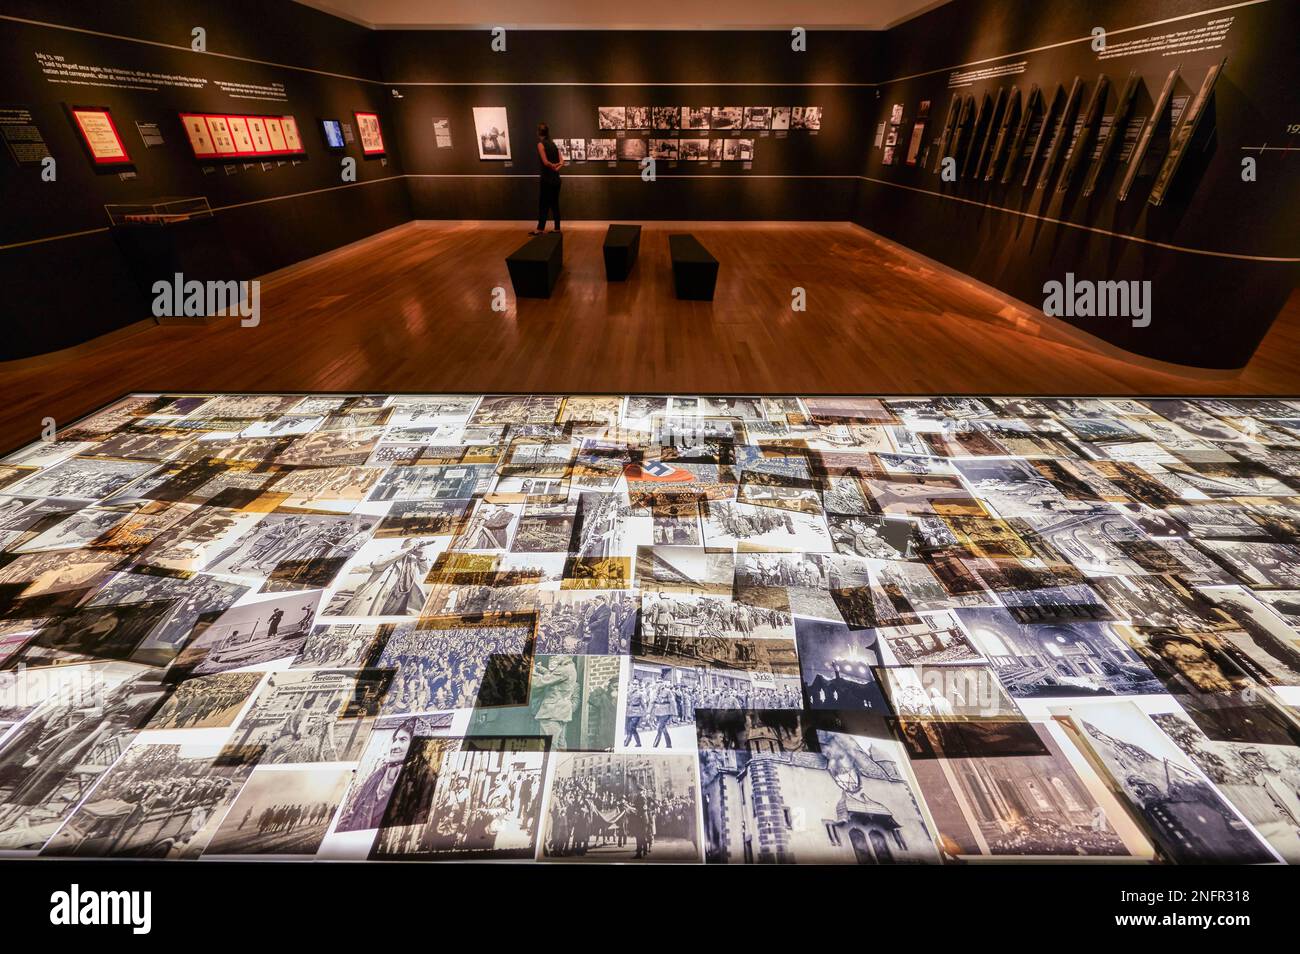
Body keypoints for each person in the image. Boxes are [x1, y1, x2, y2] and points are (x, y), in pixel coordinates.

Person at [531, 122, 563, 235]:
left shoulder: (541, 144)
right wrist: (556, 168)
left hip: (546, 179)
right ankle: (557, 228)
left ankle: (540, 229)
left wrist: (552, 166)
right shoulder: (553, 144)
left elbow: (545, 162)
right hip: (556, 179)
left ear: (538, 132)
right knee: (555, 204)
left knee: (543, 204)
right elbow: (562, 162)